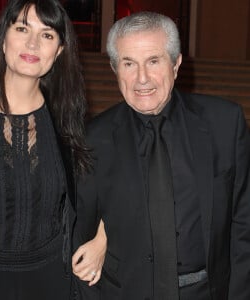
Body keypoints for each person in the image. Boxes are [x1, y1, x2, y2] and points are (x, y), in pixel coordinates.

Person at [72, 11, 250, 300]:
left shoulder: (224, 124)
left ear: (176, 64)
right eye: (129, 63)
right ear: (115, 69)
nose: (142, 78)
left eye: (154, 61)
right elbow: (80, 234)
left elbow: (244, 226)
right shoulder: (94, 139)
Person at [0, 0, 102, 299]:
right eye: (22, 28)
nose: (33, 42)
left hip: (50, 281)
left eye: (47, 35)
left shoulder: (67, 121)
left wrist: (102, 238)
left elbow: (106, 188)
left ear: (58, 52)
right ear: (3, 39)